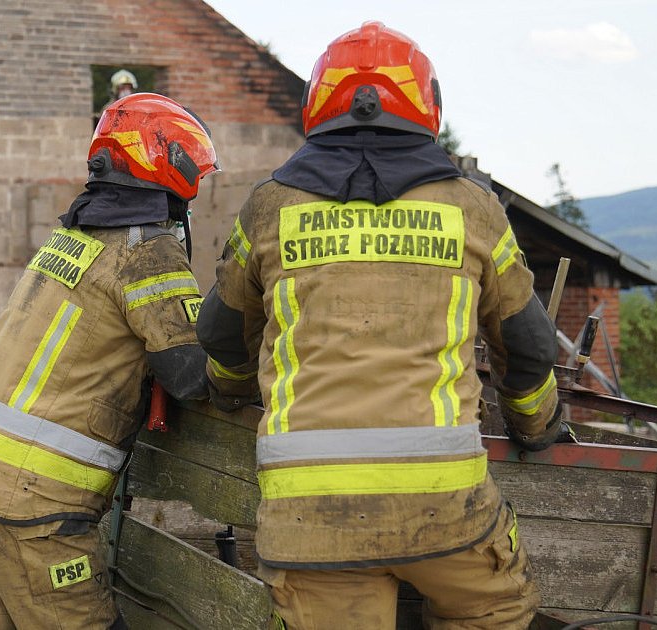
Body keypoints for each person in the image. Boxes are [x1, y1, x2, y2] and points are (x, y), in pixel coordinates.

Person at [196, 21, 561, 629]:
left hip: (309, 520)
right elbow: (525, 345)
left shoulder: (269, 206)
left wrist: (230, 390)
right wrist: (534, 423)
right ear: (426, 105)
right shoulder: (471, 206)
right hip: (448, 513)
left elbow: (223, 333)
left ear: (318, 103)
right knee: (496, 607)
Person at [0, 92, 219, 629]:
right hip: (33, 505)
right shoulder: (146, 250)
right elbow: (192, 375)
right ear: (172, 166)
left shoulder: (71, 235)